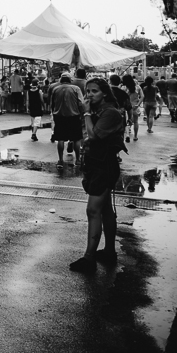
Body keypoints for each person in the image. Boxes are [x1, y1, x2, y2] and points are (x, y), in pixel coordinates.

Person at [69, 77, 128, 273]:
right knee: (105, 210)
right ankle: (109, 251)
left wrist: (86, 112)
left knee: (93, 211)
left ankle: (89, 258)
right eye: (87, 91)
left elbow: (94, 136)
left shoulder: (110, 113)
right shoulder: (100, 111)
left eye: (94, 91)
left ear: (104, 93)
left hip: (104, 166)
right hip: (96, 165)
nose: (89, 95)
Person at [49, 72, 85, 168]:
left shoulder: (55, 89)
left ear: (61, 80)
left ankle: (60, 160)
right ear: (70, 80)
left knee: (60, 139)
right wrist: (82, 114)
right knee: (76, 138)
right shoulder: (76, 89)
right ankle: (77, 159)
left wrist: (53, 113)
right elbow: (81, 103)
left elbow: (52, 104)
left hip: (59, 116)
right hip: (74, 116)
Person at [121, 74, 141, 143]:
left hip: (126, 107)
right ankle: (135, 136)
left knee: (127, 122)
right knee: (135, 122)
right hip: (135, 107)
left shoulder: (123, 88)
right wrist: (138, 104)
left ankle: (127, 135)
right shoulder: (137, 87)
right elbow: (143, 96)